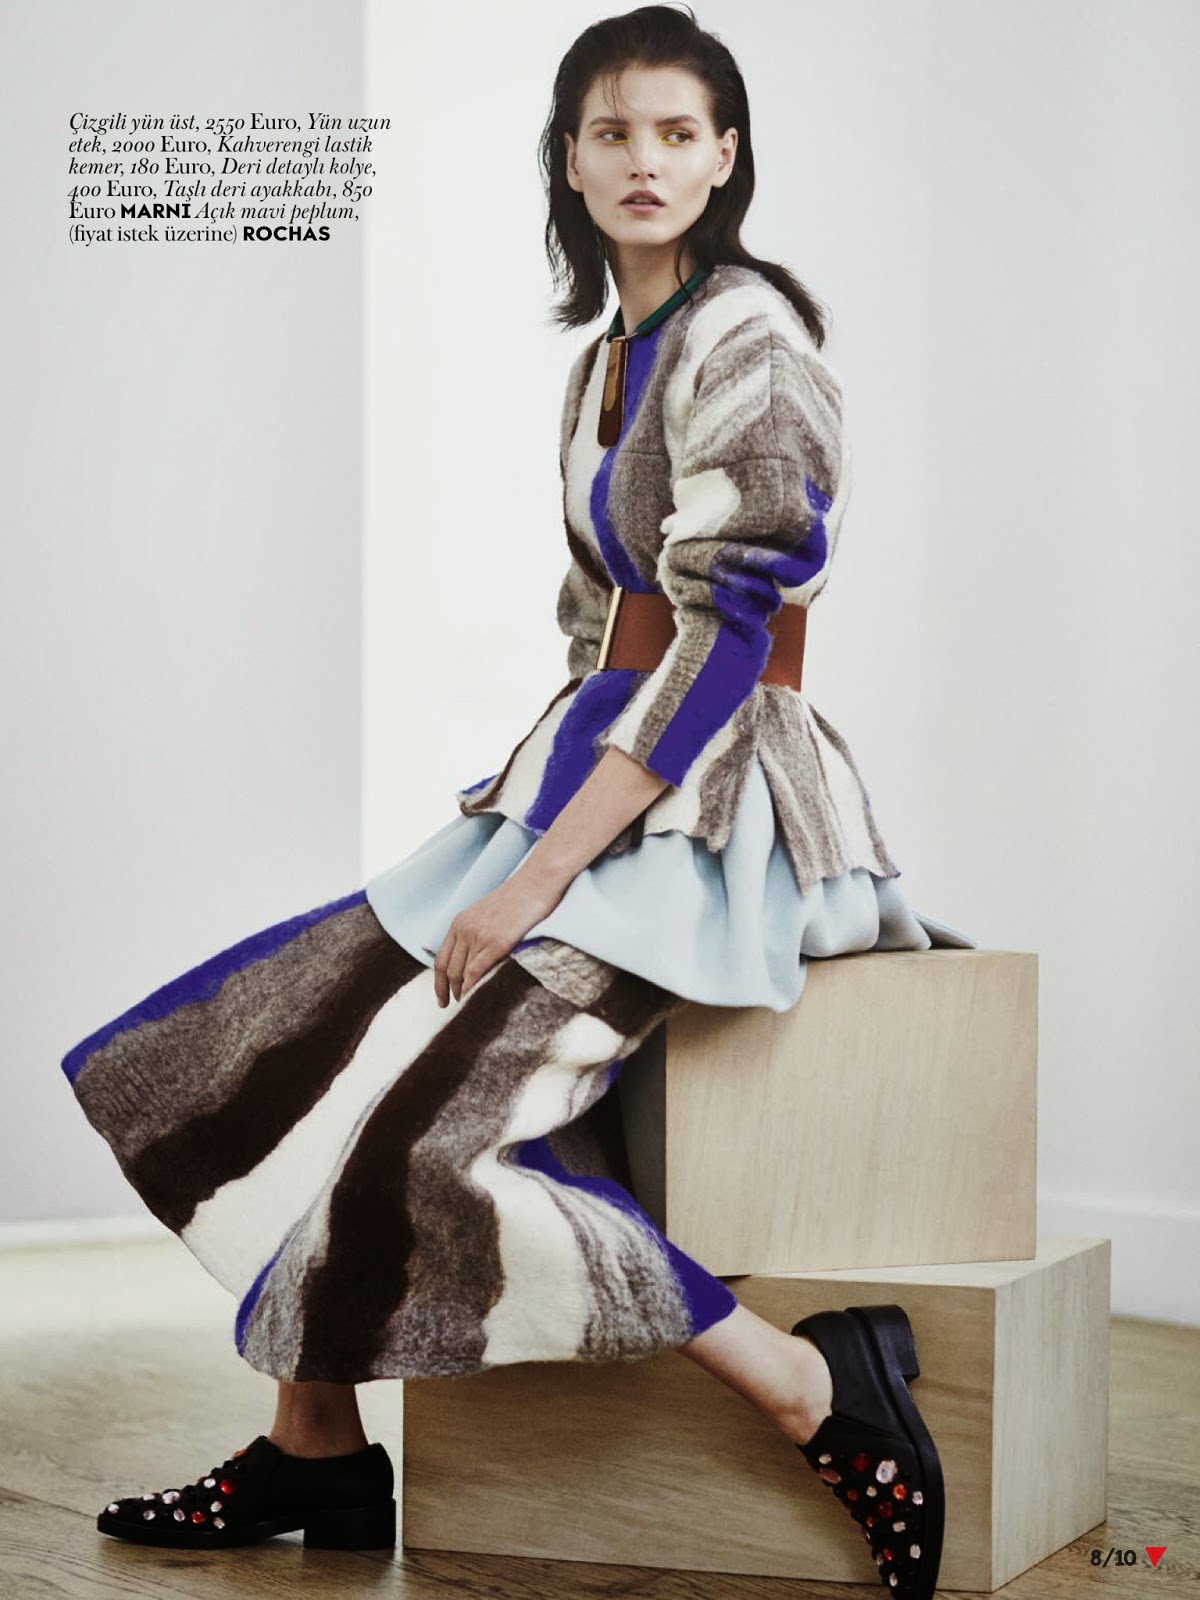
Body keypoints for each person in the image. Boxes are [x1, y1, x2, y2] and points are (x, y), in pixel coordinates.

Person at [60, 7, 971, 1595]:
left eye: (678, 133)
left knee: (434, 1151)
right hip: (586, 775)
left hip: (712, 805)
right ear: (570, 158)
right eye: (614, 132)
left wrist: (540, 874)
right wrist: (522, 817)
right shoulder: (604, 356)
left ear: (727, 157)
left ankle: (814, 1383)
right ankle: (316, 1445)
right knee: (221, 1064)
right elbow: (593, 623)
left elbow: (729, 633)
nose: (645, 160)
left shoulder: (752, 337)